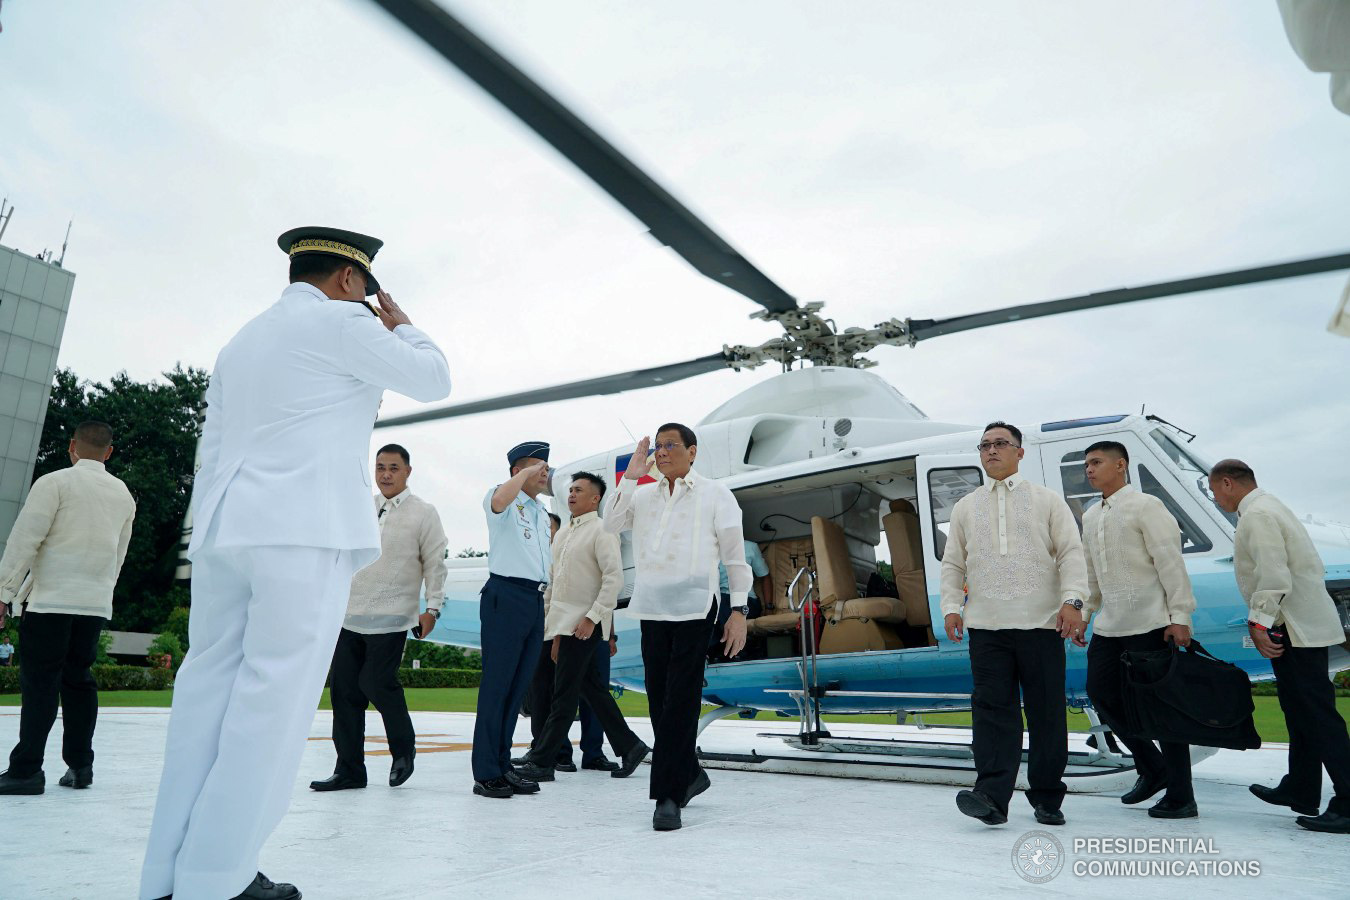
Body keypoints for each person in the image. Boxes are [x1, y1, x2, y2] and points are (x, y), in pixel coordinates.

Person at [140, 227, 451, 900]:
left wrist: (210, 531)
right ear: (348, 278)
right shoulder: (342, 320)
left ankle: (165, 877)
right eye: (366, 289)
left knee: (205, 700)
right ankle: (216, 879)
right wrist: (405, 328)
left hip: (227, 531)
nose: (369, 301)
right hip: (302, 531)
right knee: (271, 706)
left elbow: (213, 447)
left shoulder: (242, 340)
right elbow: (433, 378)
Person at [603, 423, 751, 831]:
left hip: (695, 608)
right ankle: (690, 773)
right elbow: (611, 523)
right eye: (659, 445)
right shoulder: (645, 494)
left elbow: (736, 560)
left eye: (671, 445)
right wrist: (633, 474)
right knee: (657, 701)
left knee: (681, 701)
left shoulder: (716, 495)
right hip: (652, 608)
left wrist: (739, 611)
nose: (663, 451)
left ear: (693, 451)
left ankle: (668, 796)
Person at [940, 421, 1087, 828]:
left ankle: (1047, 797)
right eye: (984, 445)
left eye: (1001, 443)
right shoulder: (965, 507)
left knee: (1046, 713)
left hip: (1041, 624)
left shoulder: (1046, 501)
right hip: (986, 626)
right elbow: (953, 562)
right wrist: (952, 606)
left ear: (1020, 452)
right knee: (991, 712)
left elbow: (1071, 554)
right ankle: (990, 796)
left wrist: (1073, 602)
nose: (991, 450)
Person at [1210, 459, 1350, 834]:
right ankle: (1301, 788)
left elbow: (1273, 574)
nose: (1215, 499)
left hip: (1296, 627)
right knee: (1301, 711)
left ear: (1227, 483)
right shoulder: (1270, 505)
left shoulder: (1257, 515)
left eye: (1213, 491)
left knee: (1318, 715)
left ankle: (1348, 801)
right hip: (1300, 624)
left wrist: (1258, 621)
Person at [0, 421, 136, 796]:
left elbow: (25, 539)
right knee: (79, 681)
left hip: (50, 602)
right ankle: (80, 767)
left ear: (72, 446)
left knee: (41, 684)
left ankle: (26, 770)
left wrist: (3, 591)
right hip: (93, 604)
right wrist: (101, 594)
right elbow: (118, 557)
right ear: (108, 452)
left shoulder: (55, 483)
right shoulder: (123, 495)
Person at [310, 443, 447, 793]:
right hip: (349, 614)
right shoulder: (364, 508)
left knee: (376, 683)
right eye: (381, 467)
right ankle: (350, 770)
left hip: (392, 616)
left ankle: (403, 753)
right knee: (343, 693)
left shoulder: (424, 512)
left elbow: (435, 563)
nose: (386, 474)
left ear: (407, 472)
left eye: (394, 468)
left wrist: (432, 608)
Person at [1080, 441, 1198, 819]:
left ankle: (1182, 796)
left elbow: (1170, 562)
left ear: (1121, 466)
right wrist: (1085, 615)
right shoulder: (1090, 515)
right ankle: (1153, 766)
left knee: (1163, 710)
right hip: (1110, 625)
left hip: (1152, 623)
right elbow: (1091, 575)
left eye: (1097, 462)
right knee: (1100, 693)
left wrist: (1179, 615)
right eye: (1087, 464)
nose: (1089, 469)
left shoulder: (1147, 506)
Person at [516, 472, 649, 782]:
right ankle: (631, 747)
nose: (572, 494)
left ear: (595, 499)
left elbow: (613, 579)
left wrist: (593, 618)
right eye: (571, 489)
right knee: (592, 690)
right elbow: (552, 585)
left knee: (563, 694)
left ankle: (542, 761)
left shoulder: (603, 530)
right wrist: (545, 626)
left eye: (579, 490)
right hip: (559, 626)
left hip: (584, 625)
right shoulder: (562, 534)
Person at [472, 441, 553, 799]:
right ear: (516, 471)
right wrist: (523, 475)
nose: (544, 472)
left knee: (518, 687)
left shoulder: (538, 510)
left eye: (546, 467)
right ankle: (486, 772)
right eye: (537, 466)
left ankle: (503, 765)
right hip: (505, 595)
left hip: (534, 599)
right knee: (497, 687)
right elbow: (500, 501)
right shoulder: (502, 500)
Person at [710, 540, 771, 660]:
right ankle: (722, 652)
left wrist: (769, 607)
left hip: (747, 601)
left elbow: (765, 576)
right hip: (719, 598)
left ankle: (725, 651)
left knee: (718, 607)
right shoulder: (710, 549)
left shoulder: (750, 547)